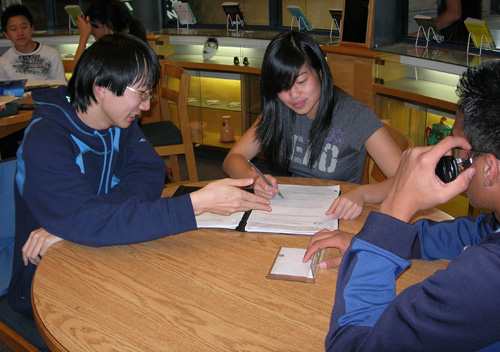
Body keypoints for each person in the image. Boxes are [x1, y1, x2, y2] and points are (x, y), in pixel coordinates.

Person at [8, 33, 271, 318]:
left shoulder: (119, 122)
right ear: (101, 88)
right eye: (141, 93)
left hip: (102, 251)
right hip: (48, 283)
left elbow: (150, 173)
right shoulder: (46, 140)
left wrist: (82, 220)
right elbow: (89, 221)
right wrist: (195, 204)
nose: (146, 106)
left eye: (149, 94)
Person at [303, 60, 500, 350]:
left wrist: (393, 214)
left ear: (489, 169)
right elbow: (473, 233)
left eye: (457, 151)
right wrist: (381, 241)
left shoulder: (485, 279)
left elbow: (352, 344)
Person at [223, 31, 402, 220]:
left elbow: (405, 178)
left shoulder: (355, 116)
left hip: (339, 215)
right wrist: (256, 180)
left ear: (320, 72)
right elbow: (232, 159)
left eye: (301, 81)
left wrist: (363, 194)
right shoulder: (279, 111)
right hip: (293, 209)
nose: (294, 94)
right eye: (283, 87)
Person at [0, 4, 65, 83]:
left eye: (24, 27)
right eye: (13, 29)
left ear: (32, 28)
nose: (20, 33)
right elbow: (4, 92)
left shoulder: (51, 54)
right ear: (6, 34)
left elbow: (61, 86)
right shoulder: (3, 61)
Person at [73, 0, 147, 63]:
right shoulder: (132, 45)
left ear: (108, 25)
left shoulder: (110, 53)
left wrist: (84, 36)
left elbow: (78, 74)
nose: (89, 28)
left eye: (91, 23)